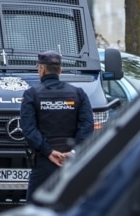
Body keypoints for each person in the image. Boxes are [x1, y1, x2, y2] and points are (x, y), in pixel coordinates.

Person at [19, 50, 94, 196]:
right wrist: (72, 152)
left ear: (41, 69)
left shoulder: (32, 94)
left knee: (35, 207)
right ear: (60, 70)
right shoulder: (78, 93)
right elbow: (87, 126)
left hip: (44, 162)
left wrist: (49, 152)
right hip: (72, 162)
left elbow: (29, 129)